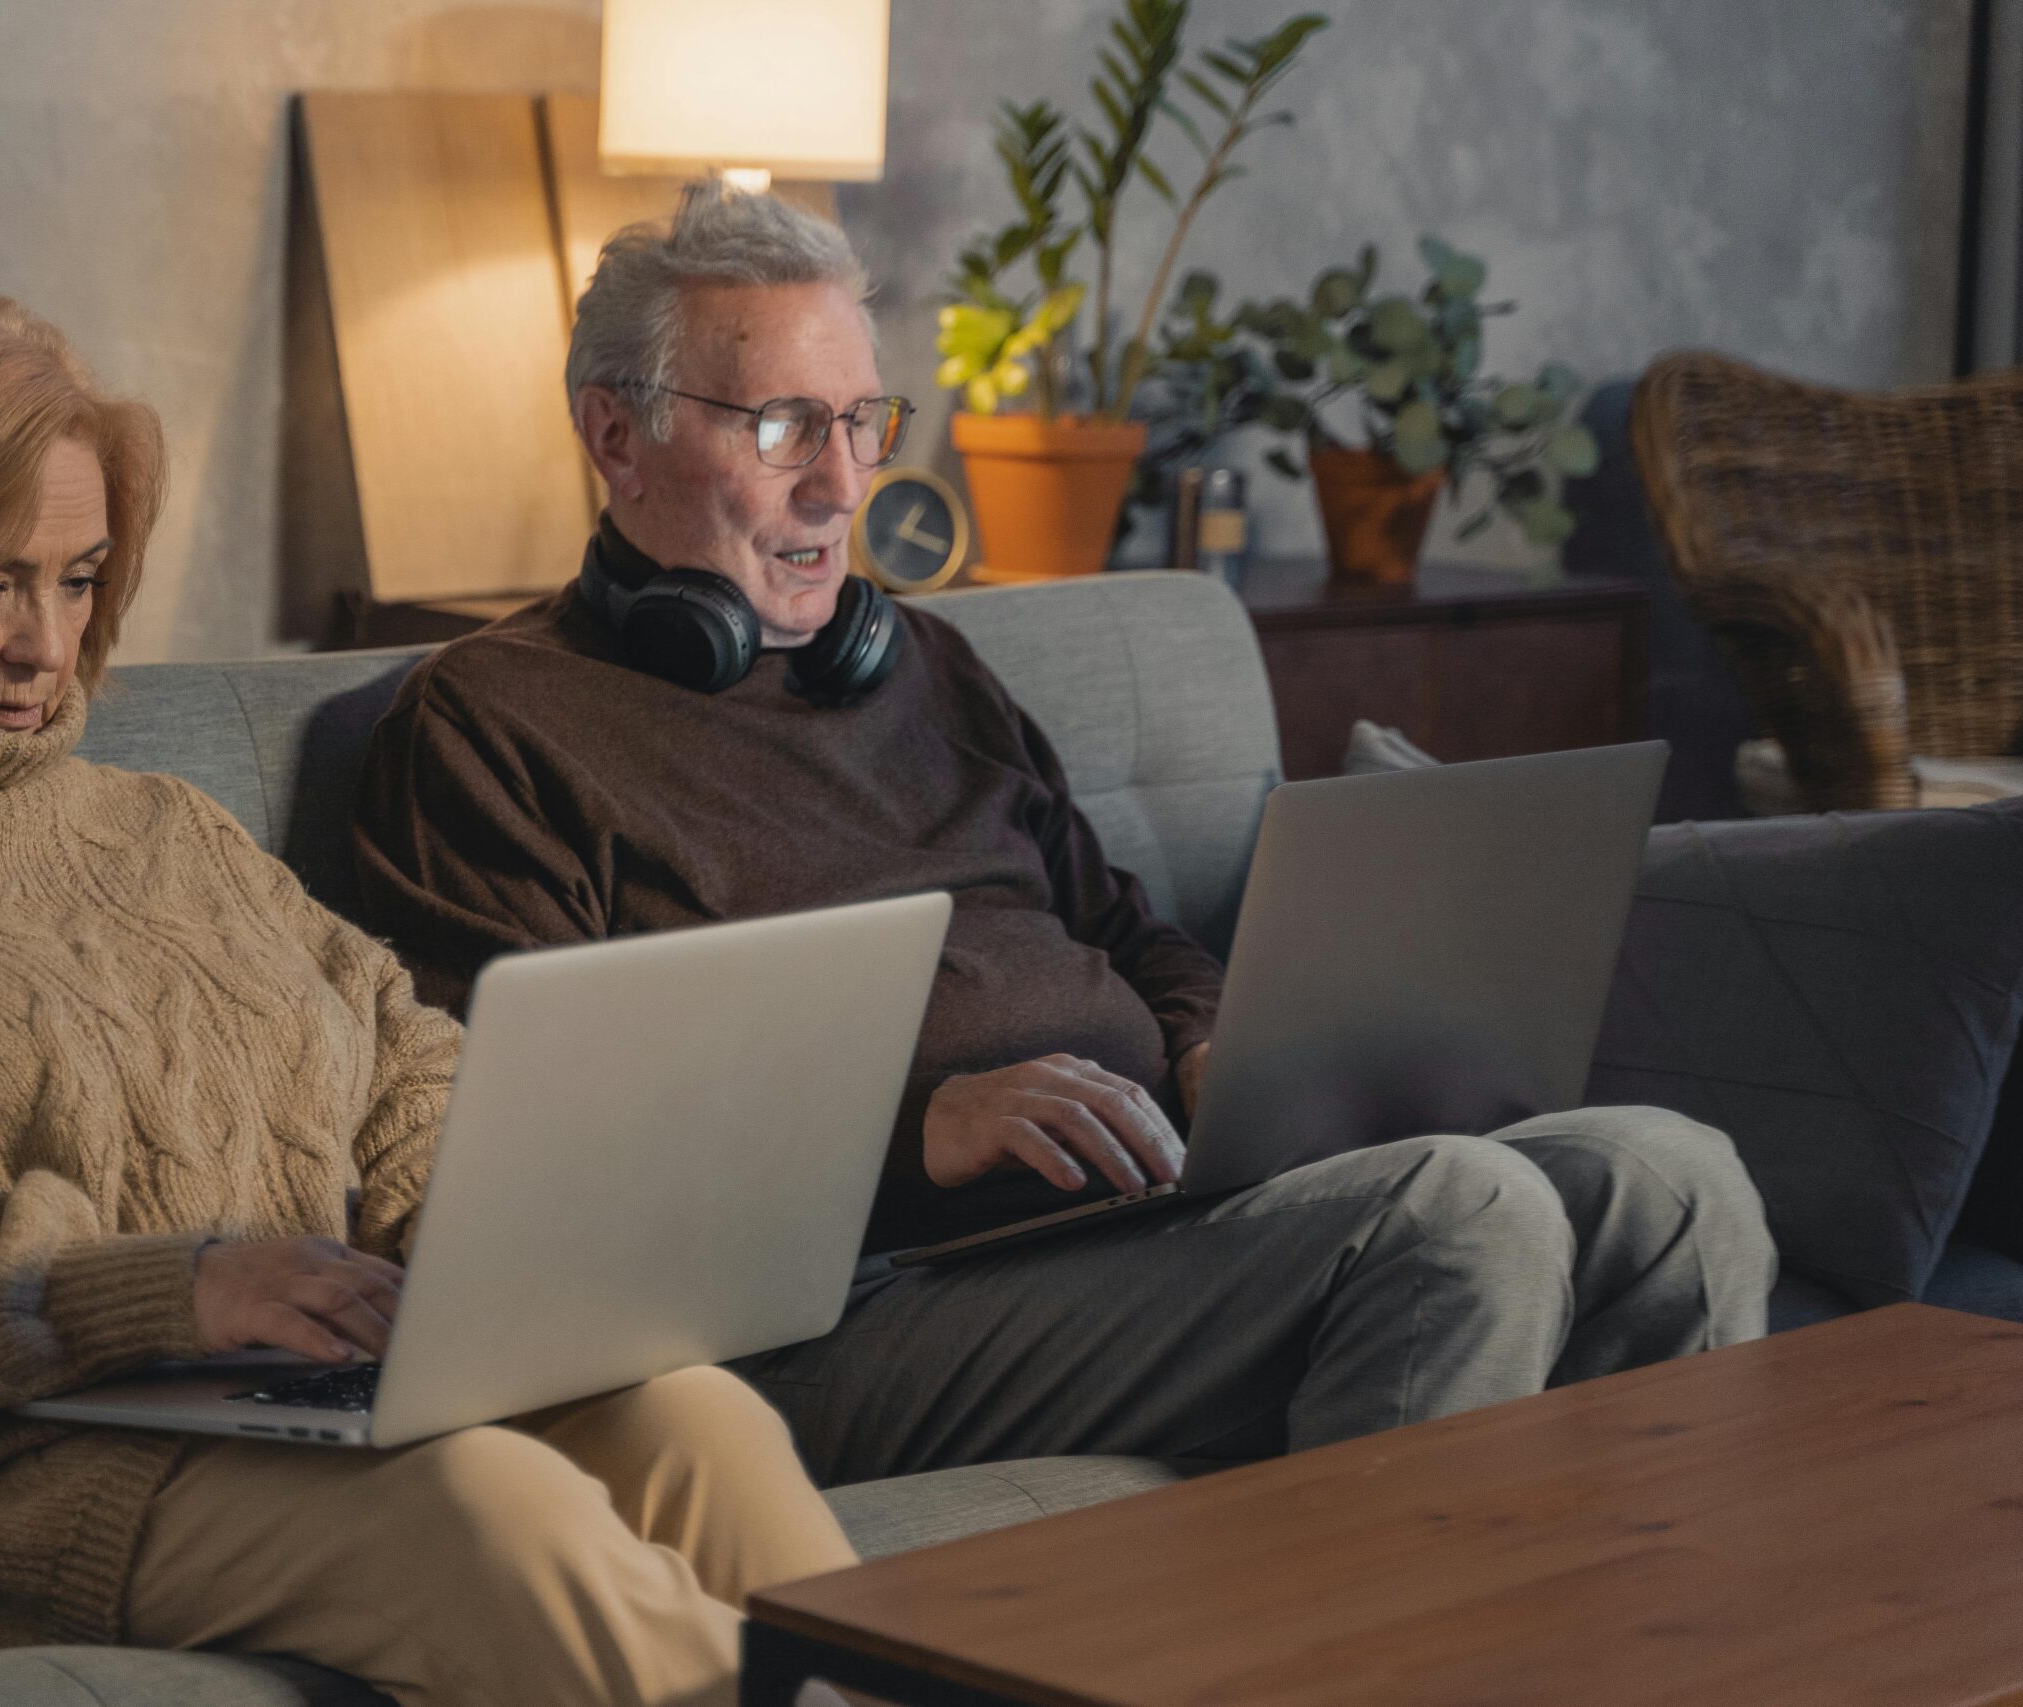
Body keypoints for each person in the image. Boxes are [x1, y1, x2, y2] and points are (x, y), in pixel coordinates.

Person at [0, 290, 856, 1707]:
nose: (47, 649)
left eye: (81, 577)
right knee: (486, 1512)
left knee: (693, 1418)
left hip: (285, 1402)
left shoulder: (161, 827)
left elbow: (392, 1069)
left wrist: (490, 1251)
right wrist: (166, 1292)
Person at [351, 184, 1779, 1486]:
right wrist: (921, 1131)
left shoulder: (918, 663)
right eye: (781, 426)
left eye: (862, 422)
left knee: (1668, 1175)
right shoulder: (489, 727)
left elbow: (1128, 930)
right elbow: (527, 1167)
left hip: (1139, 1204)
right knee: (1460, 1212)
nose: (841, 488)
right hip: (843, 1308)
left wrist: (1225, 1047)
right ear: (617, 434)